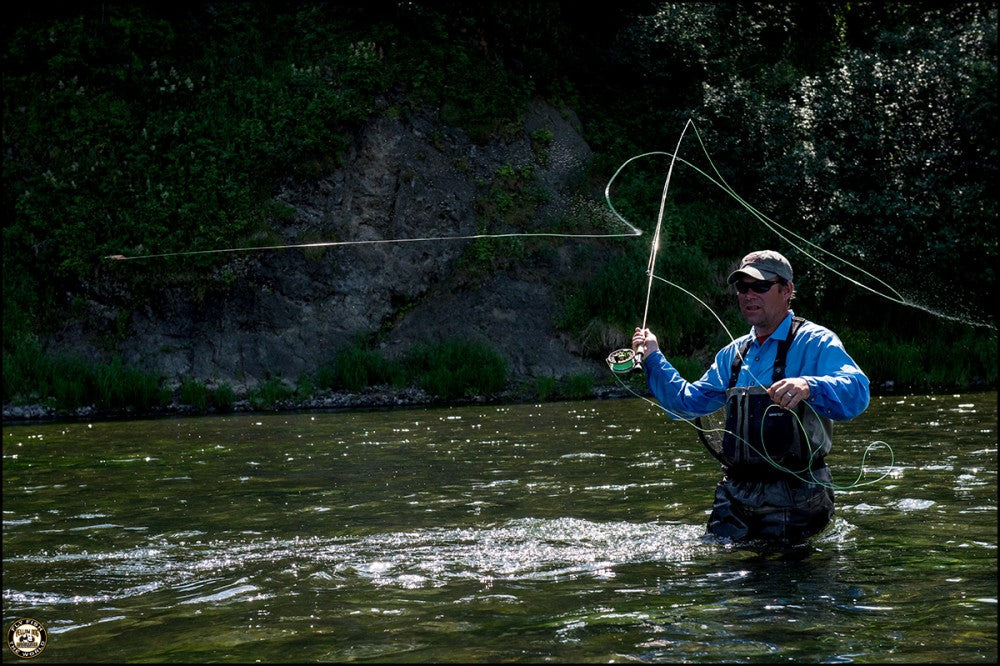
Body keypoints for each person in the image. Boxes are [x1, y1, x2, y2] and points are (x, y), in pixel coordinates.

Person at [631, 250, 870, 546]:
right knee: (720, 577)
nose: (749, 295)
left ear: (787, 290)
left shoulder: (816, 341)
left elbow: (858, 391)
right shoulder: (733, 354)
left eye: (760, 286)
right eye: (742, 287)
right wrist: (654, 357)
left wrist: (810, 385)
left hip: (798, 496)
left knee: (782, 583)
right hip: (735, 493)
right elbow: (686, 403)